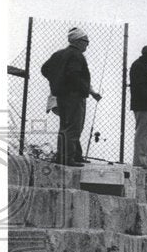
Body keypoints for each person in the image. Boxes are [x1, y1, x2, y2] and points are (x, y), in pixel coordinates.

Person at [40, 27, 102, 167]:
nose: (87, 44)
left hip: (62, 96)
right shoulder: (76, 55)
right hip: (74, 96)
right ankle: (68, 158)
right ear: (79, 41)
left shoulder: (59, 54)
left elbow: (45, 69)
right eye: (86, 41)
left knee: (65, 126)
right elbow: (74, 75)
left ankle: (64, 156)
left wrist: (56, 82)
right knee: (74, 127)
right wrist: (83, 88)